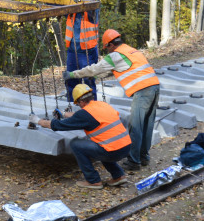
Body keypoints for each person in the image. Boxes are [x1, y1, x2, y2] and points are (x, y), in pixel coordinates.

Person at [62, 29, 160, 171]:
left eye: (106, 48)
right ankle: (143, 157)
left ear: (111, 45)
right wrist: (98, 76)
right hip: (154, 87)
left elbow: (93, 69)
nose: (106, 51)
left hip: (143, 90)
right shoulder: (131, 50)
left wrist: (73, 74)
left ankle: (133, 161)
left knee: (136, 126)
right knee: (147, 124)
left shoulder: (115, 55)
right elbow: (118, 69)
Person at [31, 84, 130, 189]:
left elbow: (58, 125)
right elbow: (83, 116)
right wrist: (64, 114)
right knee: (102, 144)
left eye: (77, 104)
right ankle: (119, 176)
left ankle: (93, 181)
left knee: (76, 144)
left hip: (112, 152)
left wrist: (37, 121)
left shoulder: (85, 114)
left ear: (81, 102)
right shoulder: (102, 105)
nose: (78, 106)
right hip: (126, 147)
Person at [64, 0, 99, 102]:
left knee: (89, 78)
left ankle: (92, 103)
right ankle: (72, 102)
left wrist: (83, 3)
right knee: (71, 78)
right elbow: (55, 6)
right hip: (72, 51)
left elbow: (94, 7)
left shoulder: (90, 12)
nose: (75, 1)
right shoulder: (70, 12)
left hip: (87, 52)